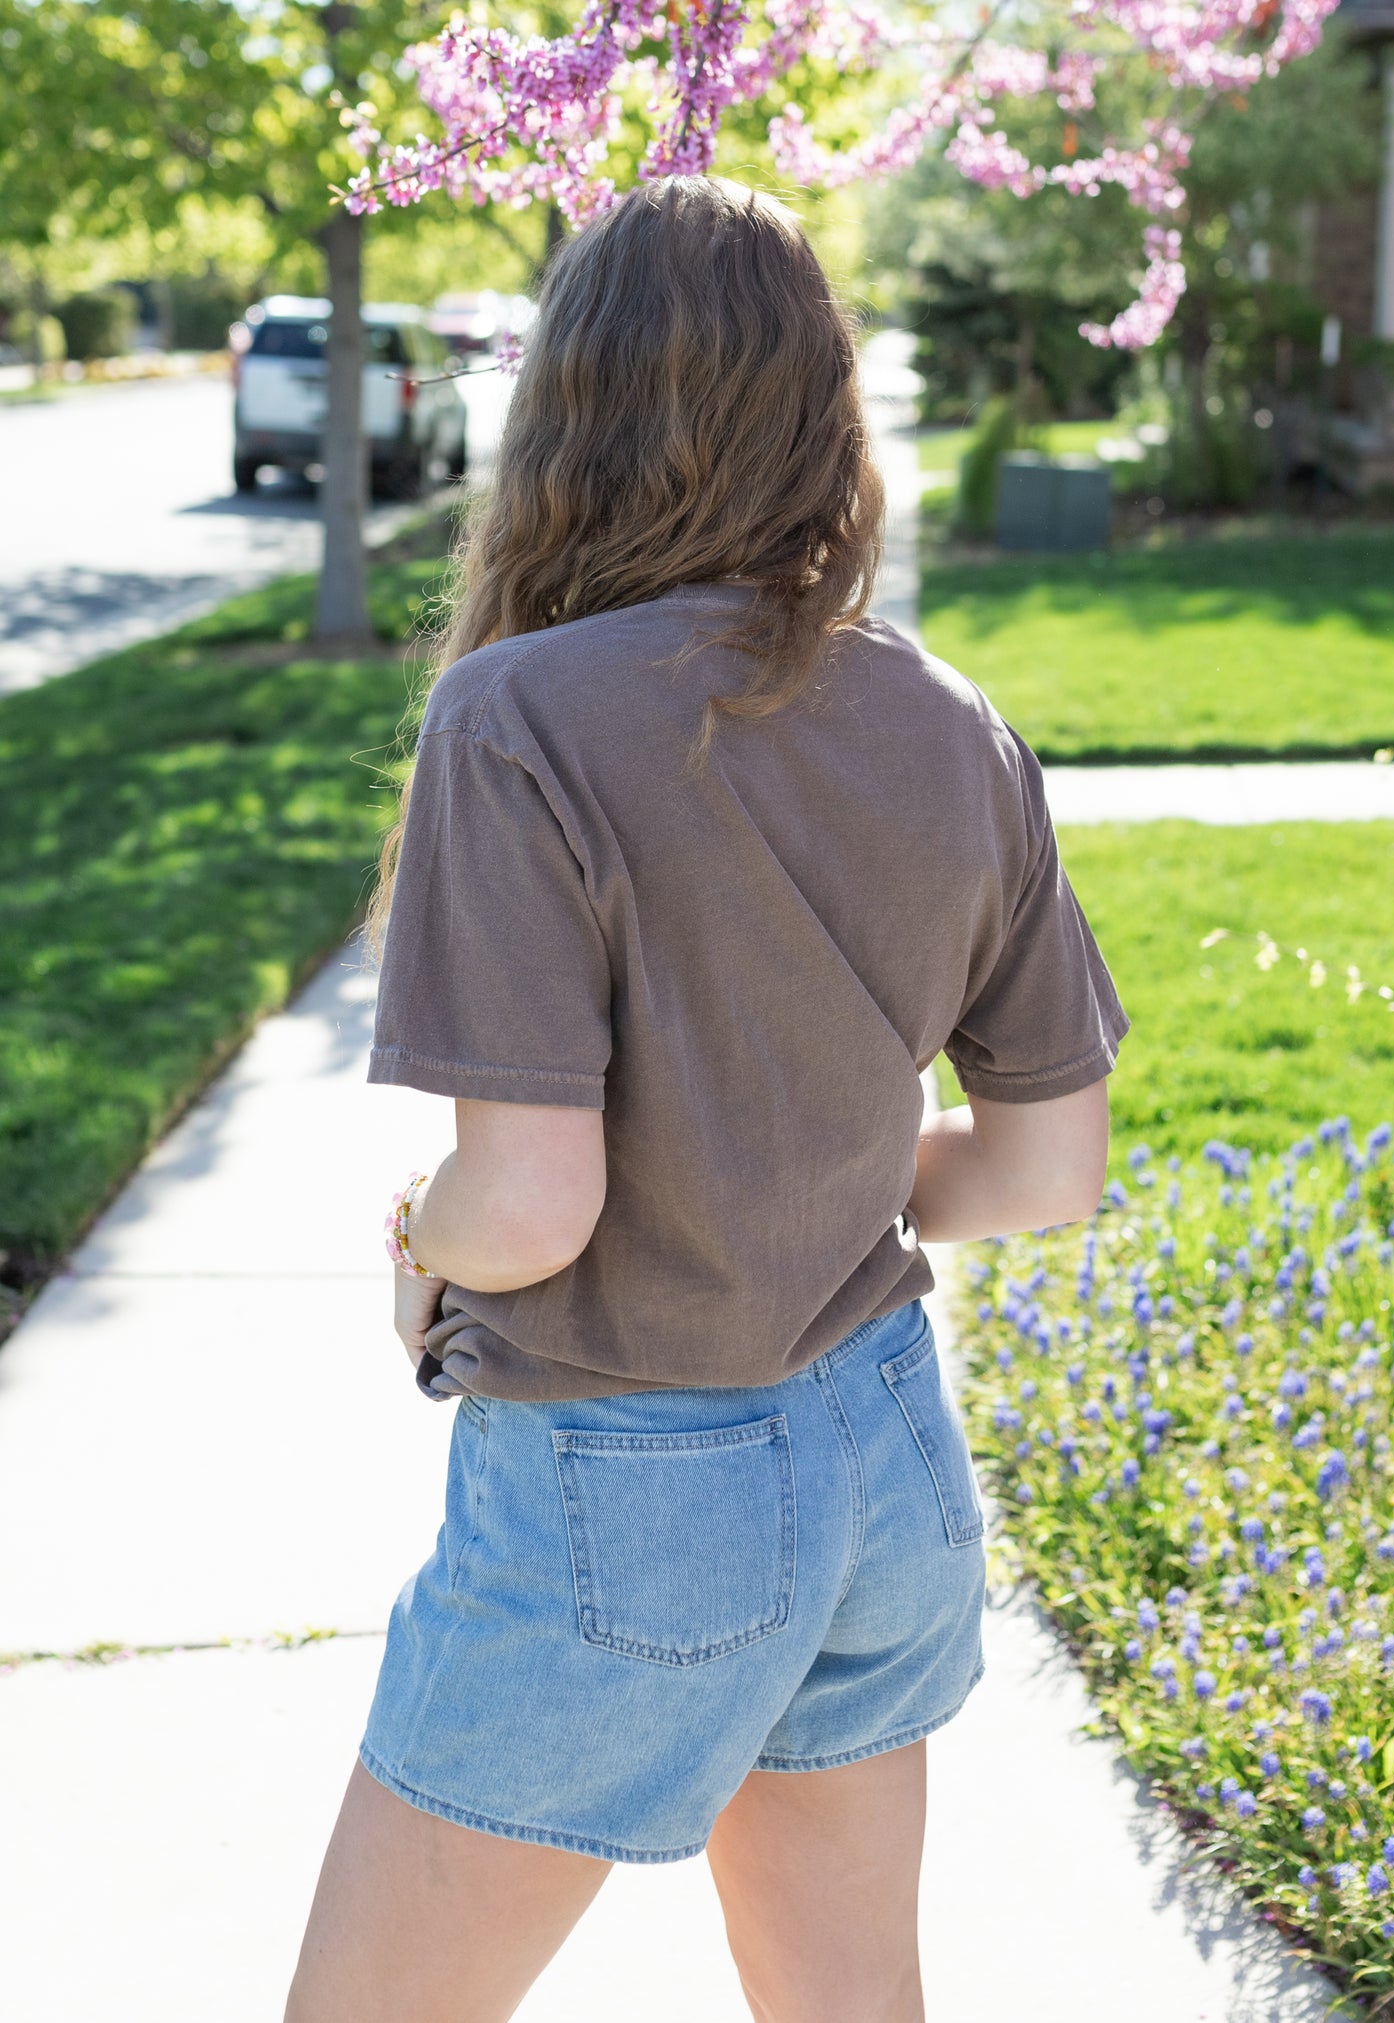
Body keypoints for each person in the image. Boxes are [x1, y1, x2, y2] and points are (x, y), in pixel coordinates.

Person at [287, 174, 1128, 2023]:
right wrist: (825, 1169)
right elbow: (1048, 1167)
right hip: (885, 1464)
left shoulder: (512, 717)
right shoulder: (951, 721)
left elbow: (528, 1207)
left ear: (565, 416)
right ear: (823, 415)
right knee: (845, 1999)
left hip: (628, 1485)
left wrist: (418, 1250)